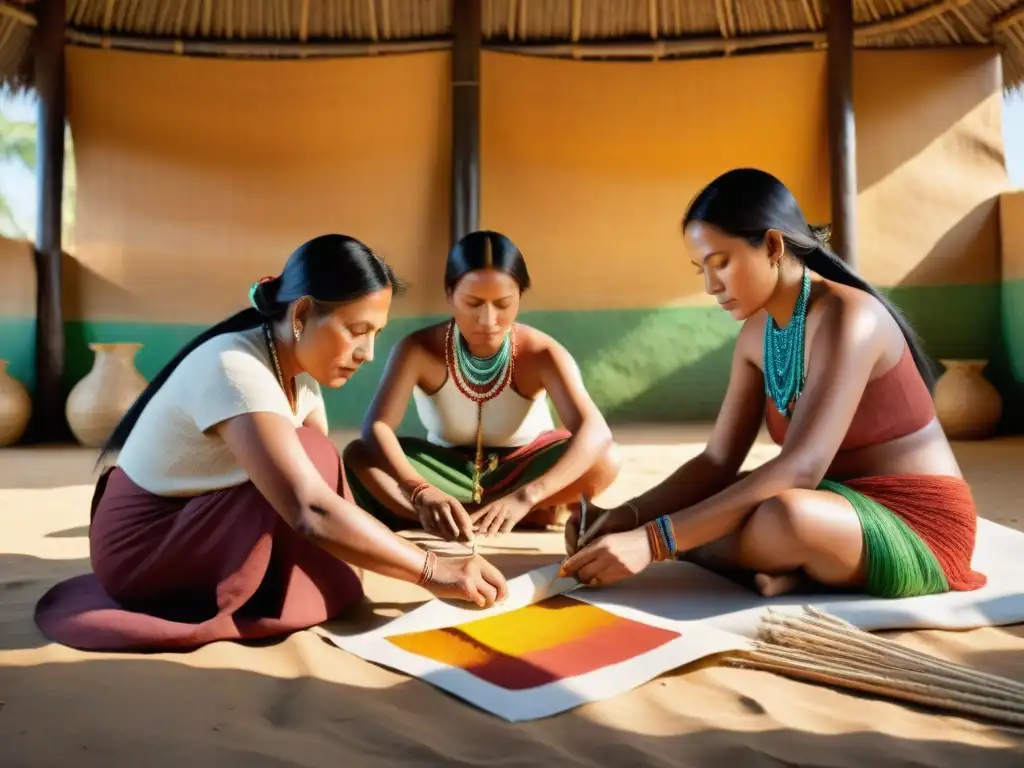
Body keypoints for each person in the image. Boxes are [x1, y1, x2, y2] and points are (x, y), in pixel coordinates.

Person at [34, 234, 508, 653]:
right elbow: (311, 510)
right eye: (357, 331)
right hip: (144, 548)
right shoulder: (234, 368)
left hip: (200, 524)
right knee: (314, 467)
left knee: (320, 465)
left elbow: (324, 492)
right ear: (302, 314)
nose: (368, 353)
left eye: (376, 334)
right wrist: (432, 569)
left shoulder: (299, 375)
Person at [561, 168, 986, 600]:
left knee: (782, 517)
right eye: (700, 271)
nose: (711, 286)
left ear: (771, 245)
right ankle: (797, 571)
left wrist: (652, 541)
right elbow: (716, 462)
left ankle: (758, 559)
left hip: (916, 524)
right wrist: (624, 516)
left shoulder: (849, 317)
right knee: (737, 497)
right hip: (829, 503)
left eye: (721, 263)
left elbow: (801, 467)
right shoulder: (754, 335)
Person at [344, 230, 621, 542]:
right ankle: (445, 513)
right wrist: (421, 491)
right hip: (446, 471)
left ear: (520, 295)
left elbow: (595, 430)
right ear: (449, 294)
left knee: (604, 458)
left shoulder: (541, 352)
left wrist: (527, 496)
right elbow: (377, 427)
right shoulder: (417, 349)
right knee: (359, 457)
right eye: (473, 302)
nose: (488, 319)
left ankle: (482, 515)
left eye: (503, 303)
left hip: (523, 468)